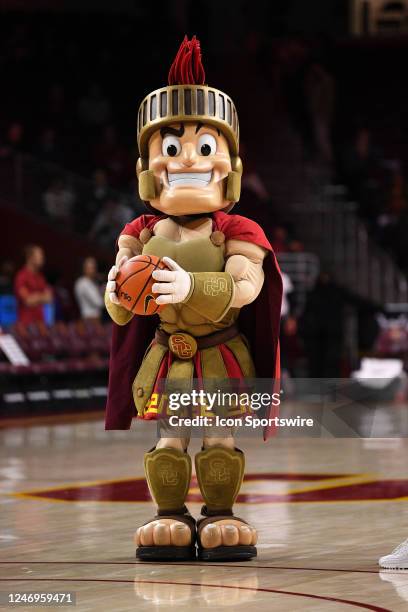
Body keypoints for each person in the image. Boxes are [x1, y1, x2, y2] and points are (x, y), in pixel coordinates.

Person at [105, 36, 282, 562]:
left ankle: (222, 517)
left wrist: (189, 287)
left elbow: (247, 286)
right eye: (170, 146)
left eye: (205, 146)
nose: (186, 158)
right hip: (166, 353)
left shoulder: (237, 228)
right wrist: (115, 291)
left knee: (219, 442)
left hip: (221, 350)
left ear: (229, 164)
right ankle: (169, 517)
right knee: (169, 442)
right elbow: (121, 309)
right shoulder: (136, 231)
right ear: (146, 166)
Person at [14, 245, 52, 325]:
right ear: (30, 257)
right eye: (40, 255)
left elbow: (49, 298)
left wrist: (36, 297)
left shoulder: (41, 277)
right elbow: (28, 301)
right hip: (26, 325)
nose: (42, 258)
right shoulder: (21, 276)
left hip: (41, 325)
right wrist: (42, 297)